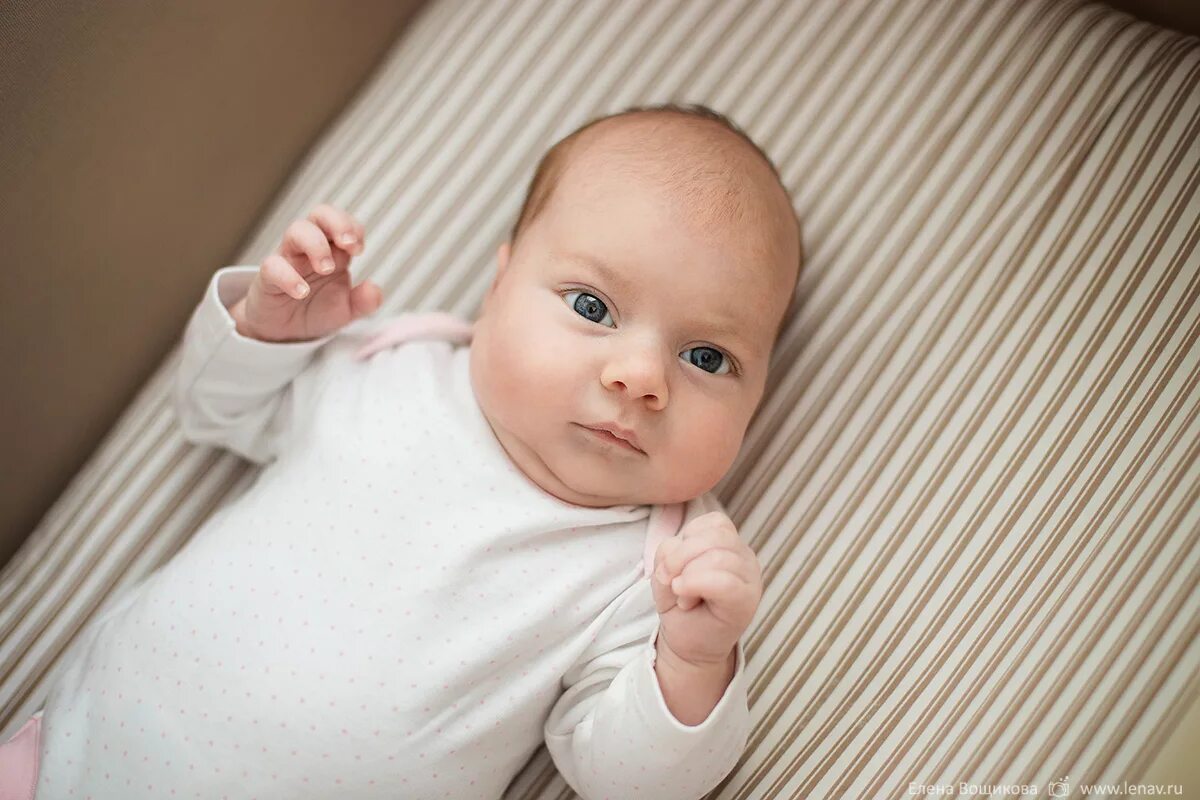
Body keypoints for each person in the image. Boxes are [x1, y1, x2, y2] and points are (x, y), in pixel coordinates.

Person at [9, 102, 803, 800]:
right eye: (593, 306)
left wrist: (696, 665)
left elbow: (622, 781)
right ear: (500, 284)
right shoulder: (389, 361)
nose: (639, 378)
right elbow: (213, 415)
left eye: (706, 358)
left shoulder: (648, 572)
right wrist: (268, 331)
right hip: (69, 754)